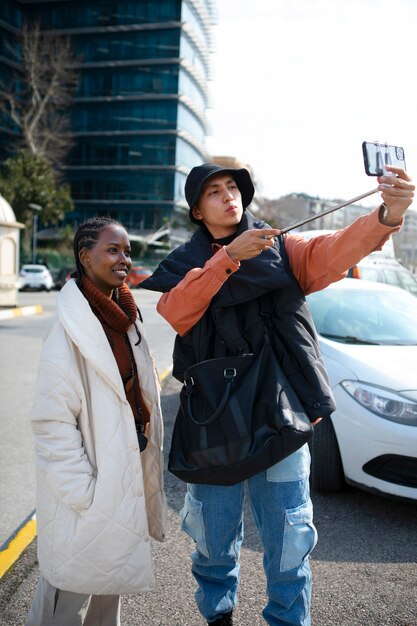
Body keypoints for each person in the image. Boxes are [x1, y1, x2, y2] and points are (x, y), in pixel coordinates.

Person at [140, 162, 414, 626]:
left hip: (280, 411)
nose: (228, 196)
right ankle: (218, 616)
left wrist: (389, 212)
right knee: (211, 537)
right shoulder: (184, 264)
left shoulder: (283, 247)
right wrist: (229, 259)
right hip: (213, 418)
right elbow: (177, 310)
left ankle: (288, 621)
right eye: (213, 192)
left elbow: (337, 247)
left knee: (289, 540)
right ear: (196, 210)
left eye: (233, 187)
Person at [26, 216, 167, 626]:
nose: (124, 258)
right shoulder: (69, 328)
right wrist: (82, 492)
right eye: (113, 250)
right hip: (90, 487)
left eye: (126, 250)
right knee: (67, 599)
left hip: (123, 473)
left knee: (108, 591)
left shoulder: (125, 315)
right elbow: (51, 421)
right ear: (85, 257)